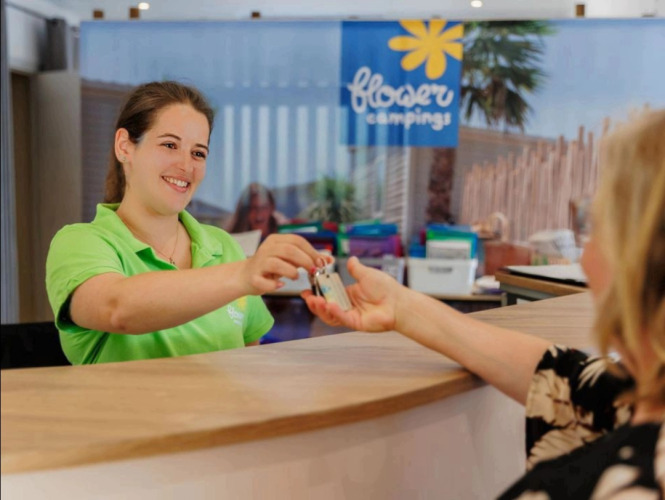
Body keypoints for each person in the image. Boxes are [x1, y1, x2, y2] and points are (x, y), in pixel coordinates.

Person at [303, 110, 665, 498]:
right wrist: (400, 305)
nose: (585, 258)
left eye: (596, 226)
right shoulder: (638, 396)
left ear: (641, 260)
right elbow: (558, 374)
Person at [46, 81, 330, 365]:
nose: (186, 166)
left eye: (198, 153)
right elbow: (116, 308)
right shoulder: (79, 243)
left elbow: (249, 356)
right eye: (169, 145)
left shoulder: (223, 246)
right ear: (124, 147)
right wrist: (242, 275)